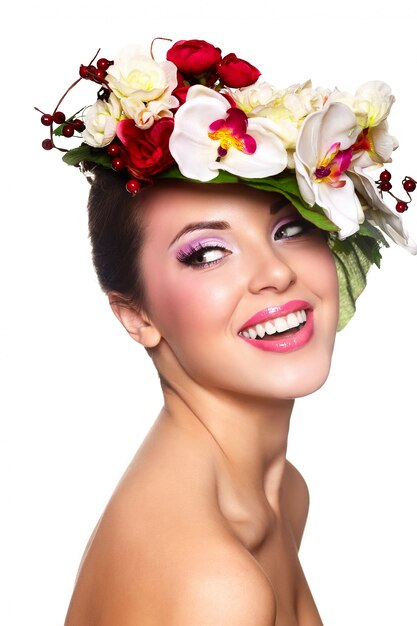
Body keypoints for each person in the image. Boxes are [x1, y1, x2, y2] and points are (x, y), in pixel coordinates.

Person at [37, 38, 416, 625]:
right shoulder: (212, 581)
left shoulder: (283, 494)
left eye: (290, 229)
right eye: (207, 252)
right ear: (137, 317)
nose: (276, 272)